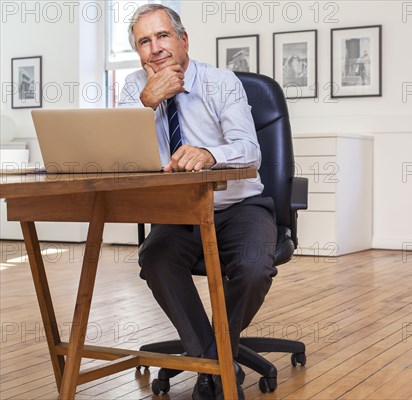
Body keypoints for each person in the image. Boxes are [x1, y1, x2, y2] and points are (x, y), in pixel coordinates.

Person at [118, 4, 277, 400]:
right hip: (176, 212)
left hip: (238, 206)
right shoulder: (133, 89)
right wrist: (145, 103)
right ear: (138, 51)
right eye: (144, 41)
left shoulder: (221, 82)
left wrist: (209, 153)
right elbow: (117, 158)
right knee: (155, 258)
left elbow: (250, 150)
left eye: (163, 36)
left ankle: (209, 360)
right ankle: (217, 363)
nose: (155, 48)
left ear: (183, 40)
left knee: (255, 265)